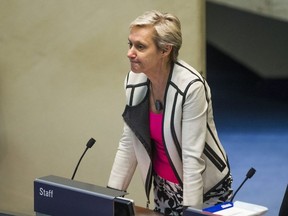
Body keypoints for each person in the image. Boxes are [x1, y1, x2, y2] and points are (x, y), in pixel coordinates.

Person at [108, 10, 233, 215]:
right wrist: (109, 200)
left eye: (140, 47)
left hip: (204, 189)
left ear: (165, 50)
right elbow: (129, 143)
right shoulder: (134, 81)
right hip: (164, 186)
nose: (130, 52)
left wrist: (192, 211)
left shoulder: (190, 86)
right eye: (130, 44)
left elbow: (192, 158)